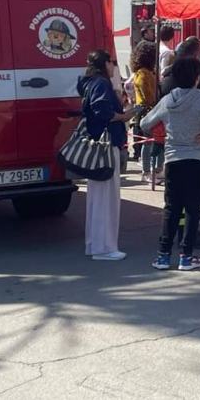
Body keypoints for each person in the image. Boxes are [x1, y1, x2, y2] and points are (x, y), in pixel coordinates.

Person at [143, 57, 200, 271]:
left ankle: (163, 255)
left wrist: (167, 127)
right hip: (198, 159)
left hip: (173, 159)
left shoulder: (168, 100)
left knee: (171, 208)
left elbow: (146, 124)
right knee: (193, 209)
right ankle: (186, 256)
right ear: (197, 78)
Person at [77, 50, 139, 261]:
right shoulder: (101, 84)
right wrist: (123, 116)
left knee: (97, 198)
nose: (114, 66)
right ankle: (105, 247)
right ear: (104, 64)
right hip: (106, 145)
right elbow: (101, 110)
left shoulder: (88, 82)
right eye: (112, 62)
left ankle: (96, 244)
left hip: (96, 146)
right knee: (107, 198)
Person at [158, 36, 200, 222]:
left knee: (176, 192)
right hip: (197, 137)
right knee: (196, 181)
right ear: (196, 54)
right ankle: (194, 218)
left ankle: (188, 220)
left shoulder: (167, 76)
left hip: (174, 142)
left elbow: (149, 120)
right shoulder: (193, 75)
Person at [131, 43, 164, 184]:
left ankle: (155, 169)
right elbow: (148, 95)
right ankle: (147, 171)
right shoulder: (144, 74)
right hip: (148, 110)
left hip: (147, 109)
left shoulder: (145, 72)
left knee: (154, 141)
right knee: (148, 142)